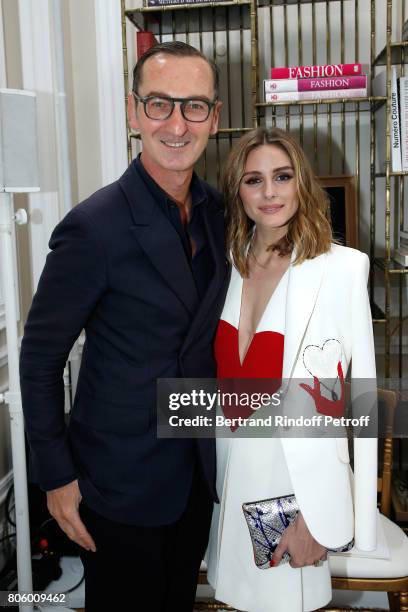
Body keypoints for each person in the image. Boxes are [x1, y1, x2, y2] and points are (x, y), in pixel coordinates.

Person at [19, 41, 229, 612]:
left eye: (193, 106)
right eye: (160, 104)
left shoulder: (219, 214)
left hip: (196, 475)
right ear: (135, 113)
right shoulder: (93, 227)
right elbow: (39, 360)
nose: (177, 124)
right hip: (114, 484)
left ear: (214, 115)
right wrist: (57, 480)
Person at [206, 127, 378, 612]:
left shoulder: (342, 269)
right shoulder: (226, 267)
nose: (269, 193)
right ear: (237, 191)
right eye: (253, 180)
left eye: (282, 177)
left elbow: (359, 407)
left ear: (301, 182)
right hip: (229, 487)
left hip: (295, 495)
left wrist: (325, 518)